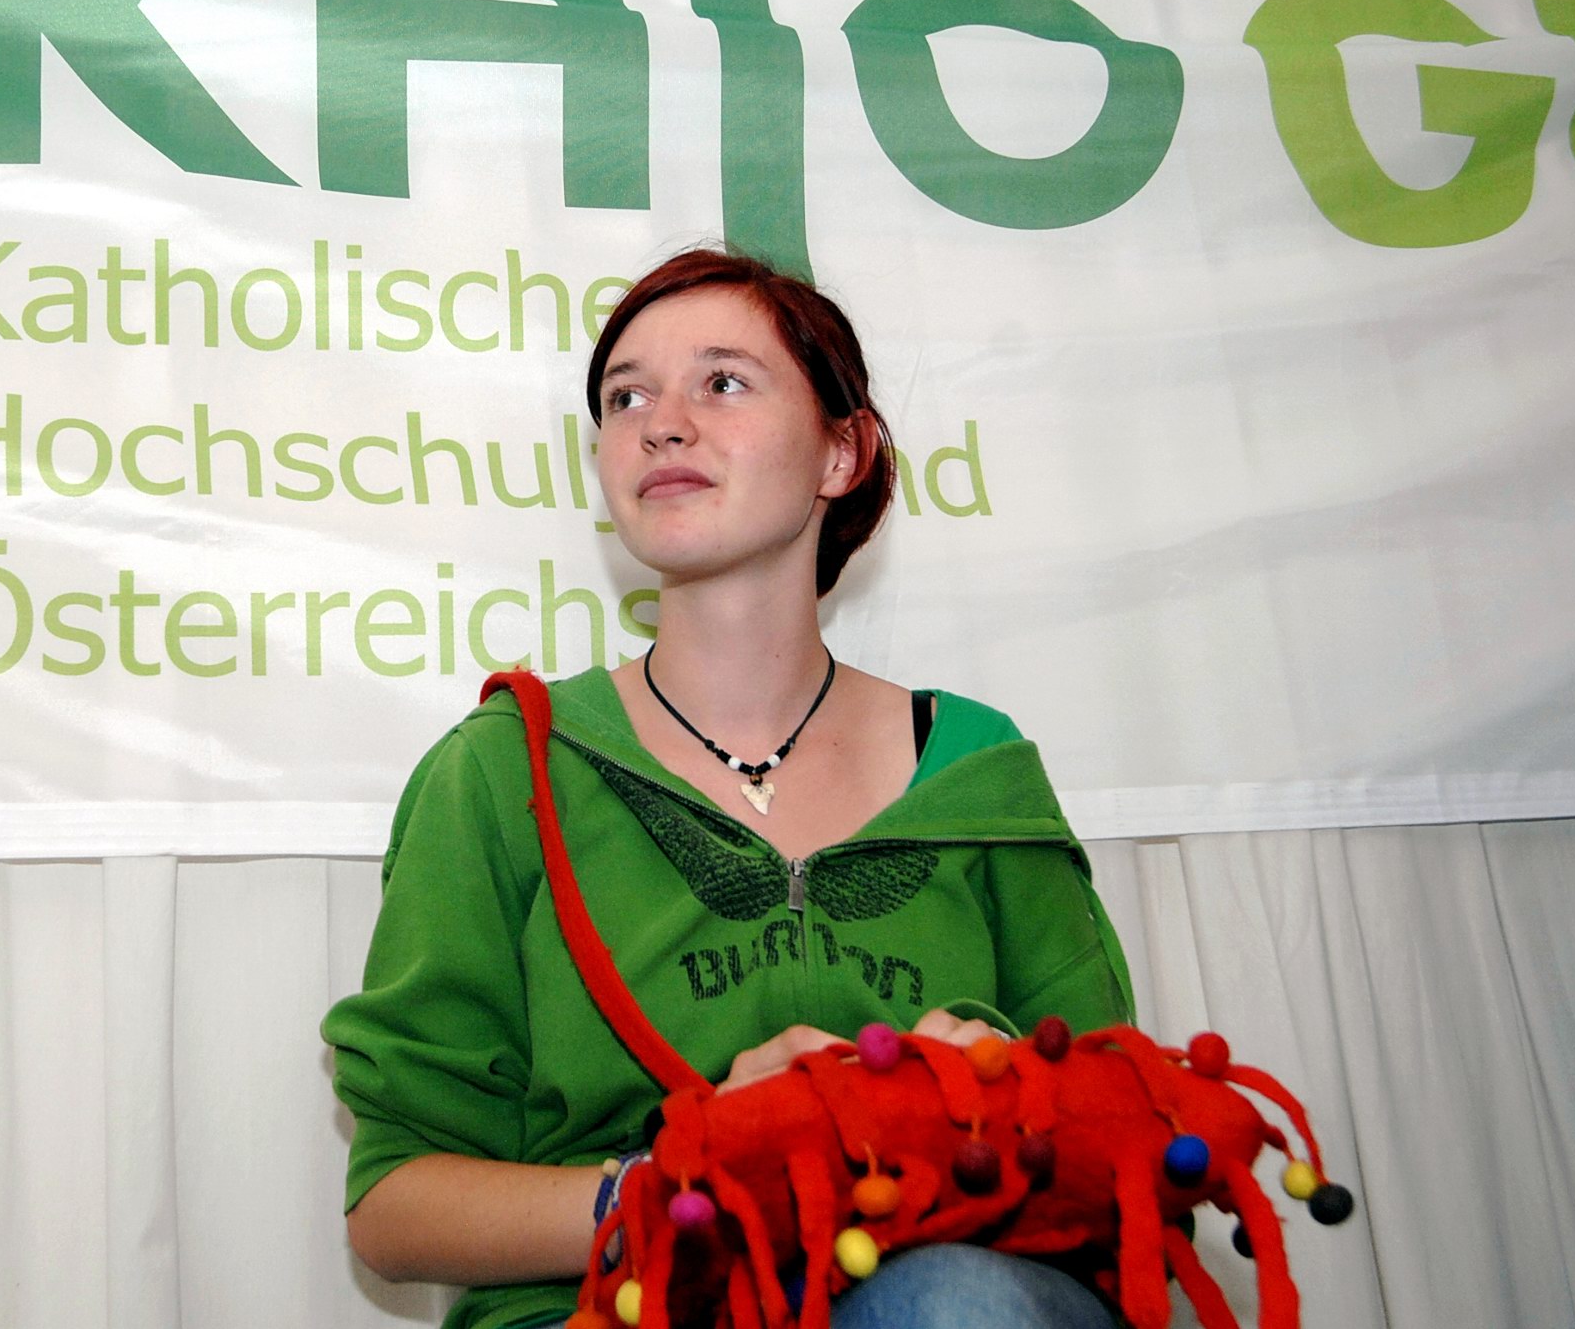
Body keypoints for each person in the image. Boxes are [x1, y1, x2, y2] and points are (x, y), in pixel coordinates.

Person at [323, 249, 1134, 1329]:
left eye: (722, 382)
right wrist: (681, 1184)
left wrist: (970, 1099)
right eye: (626, 398)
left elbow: (1121, 1144)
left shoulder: (978, 768)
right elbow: (393, 1206)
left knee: (951, 1303)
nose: (662, 425)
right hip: (613, 1308)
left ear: (842, 452)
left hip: (954, 1288)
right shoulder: (503, 769)